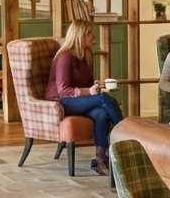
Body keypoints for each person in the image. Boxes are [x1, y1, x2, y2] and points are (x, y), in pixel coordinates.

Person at [46, 20, 124, 175]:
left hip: (76, 100)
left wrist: (95, 85)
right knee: (102, 99)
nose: (93, 36)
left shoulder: (86, 54)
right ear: (79, 35)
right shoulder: (64, 57)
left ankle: (99, 158)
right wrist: (90, 92)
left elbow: (86, 84)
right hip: (60, 102)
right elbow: (63, 91)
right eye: (89, 33)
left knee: (101, 113)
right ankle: (125, 132)